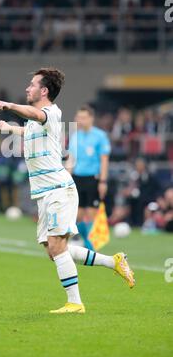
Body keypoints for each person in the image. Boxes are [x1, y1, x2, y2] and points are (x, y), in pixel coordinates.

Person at [0, 68, 135, 315]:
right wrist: (10, 128)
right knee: (54, 250)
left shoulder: (50, 112)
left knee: (58, 247)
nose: (27, 88)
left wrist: (8, 105)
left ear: (44, 90)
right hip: (46, 194)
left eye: (32, 84)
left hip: (58, 190)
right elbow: (31, 129)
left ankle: (75, 303)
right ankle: (114, 262)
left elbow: (35, 114)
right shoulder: (39, 121)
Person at [65, 105, 111, 250]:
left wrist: (103, 181)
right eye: (78, 117)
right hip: (77, 178)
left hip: (93, 178)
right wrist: (66, 178)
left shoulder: (100, 136)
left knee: (91, 213)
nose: (80, 120)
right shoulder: (75, 135)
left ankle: (90, 247)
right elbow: (71, 159)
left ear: (91, 118)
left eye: (83, 117)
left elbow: (104, 160)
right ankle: (84, 240)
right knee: (76, 214)